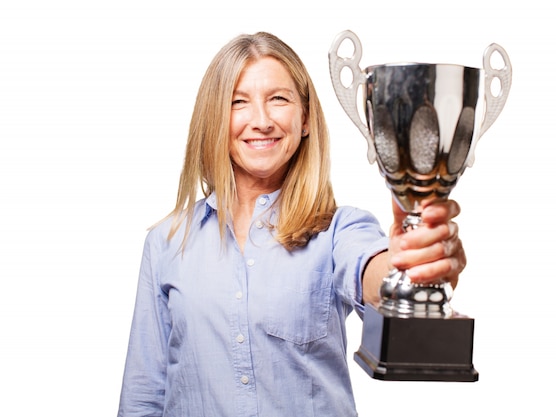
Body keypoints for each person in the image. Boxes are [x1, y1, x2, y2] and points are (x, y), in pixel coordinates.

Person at [117, 31, 466, 417]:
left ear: (304, 119)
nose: (262, 121)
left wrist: (412, 261)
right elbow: (144, 396)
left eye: (278, 99)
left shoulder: (338, 231)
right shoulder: (167, 242)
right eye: (238, 102)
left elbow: (373, 273)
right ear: (214, 118)